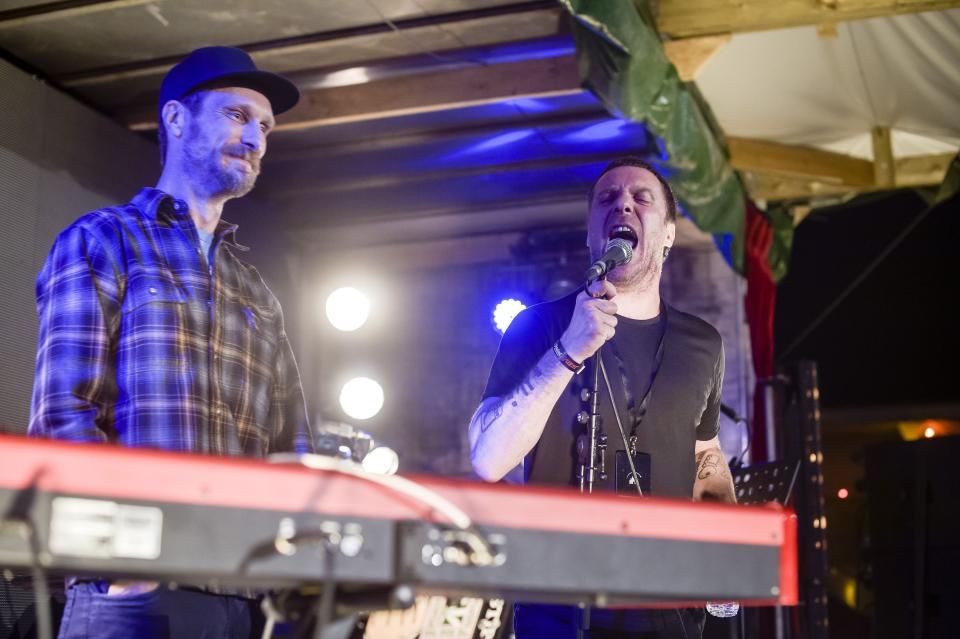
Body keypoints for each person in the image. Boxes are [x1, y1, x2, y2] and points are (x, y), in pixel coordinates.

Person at [29, 46, 312, 638]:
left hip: (243, 599)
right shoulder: (102, 240)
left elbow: (292, 447)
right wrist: (126, 564)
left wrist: (292, 580)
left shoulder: (258, 292)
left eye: (265, 127)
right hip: (136, 590)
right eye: (238, 116)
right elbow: (63, 415)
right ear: (177, 120)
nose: (256, 139)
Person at [468, 157, 737, 639]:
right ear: (592, 234)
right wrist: (568, 351)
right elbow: (489, 459)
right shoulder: (537, 326)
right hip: (559, 600)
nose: (623, 205)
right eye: (607, 200)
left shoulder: (704, 344)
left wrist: (726, 548)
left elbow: (705, 452)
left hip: (667, 601)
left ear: (669, 234)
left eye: (641, 198)